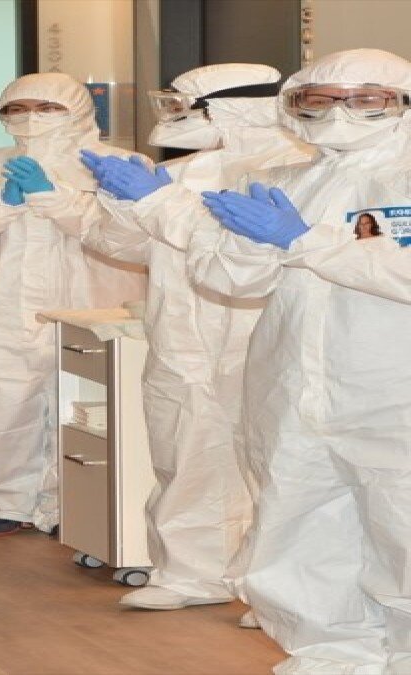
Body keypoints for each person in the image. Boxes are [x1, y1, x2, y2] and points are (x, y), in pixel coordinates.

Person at [192, 49, 411, 674]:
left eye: (365, 98)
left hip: (393, 390)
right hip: (292, 387)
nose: (340, 112)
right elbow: (226, 280)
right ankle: (332, 653)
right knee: (299, 522)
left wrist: (305, 240)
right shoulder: (283, 180)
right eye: (320, 99)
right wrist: (251, 246)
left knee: (403, 526)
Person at [77, 64, 315, 611]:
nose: (173, 118)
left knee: (276, 461)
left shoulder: (297, 169)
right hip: (182, 335)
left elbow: (245, 249)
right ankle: (190, 574)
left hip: (261, 332)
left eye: (183, 105)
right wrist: (120, 202)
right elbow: (126, 247)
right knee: (184, 452)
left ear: (231, 108)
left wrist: (161, 204)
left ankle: (272, 593)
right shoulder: (176, 174)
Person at [0, 73, 145, 537]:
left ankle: (81, 505)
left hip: (93, 301)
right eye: (16, 109)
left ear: (78, 108)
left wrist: (53, 197)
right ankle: (7, 501)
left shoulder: (118, 165)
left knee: (88, 404)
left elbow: (135, 233)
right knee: (3, 402)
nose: (30, 118)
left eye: (47, 107)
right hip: (1, 305)